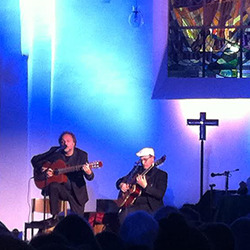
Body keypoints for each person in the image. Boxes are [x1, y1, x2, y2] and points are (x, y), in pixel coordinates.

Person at [31, 131, 94, 223]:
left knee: (77, 222)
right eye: (62, 141)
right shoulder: (55, 152)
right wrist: (43, 168)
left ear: (73, 144)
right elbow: (35, 160)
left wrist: (88, 172)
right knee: (53, 185)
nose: (65, 143)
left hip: (76, 191)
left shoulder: (82, 155)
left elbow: (90, 177)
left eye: (68, 141)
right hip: (61, 189)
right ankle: (55, 217)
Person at [116, 147, 168, 224]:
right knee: (118, 213)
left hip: (150, 207)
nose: (143, 162)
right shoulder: (137, 170)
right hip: (133, 204)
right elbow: (119, 181)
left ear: (153, 158)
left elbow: (160, 194)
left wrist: (145, 186)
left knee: (125, 215)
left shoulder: (161, 175)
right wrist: (121, 185)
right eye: (141, 160)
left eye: (145, 159)